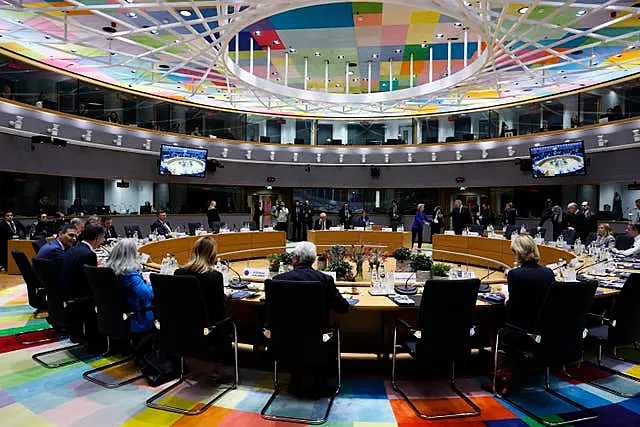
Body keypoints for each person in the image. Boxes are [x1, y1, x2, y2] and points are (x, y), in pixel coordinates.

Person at [272, 241, 349, 397]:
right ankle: (319, 384)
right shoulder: (324, 279)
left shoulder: (279, 280)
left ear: (296, 258)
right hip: (318, 339)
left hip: (285, 338)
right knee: (330, 333)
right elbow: (343, 308)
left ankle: (296, 382)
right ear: (313, 260)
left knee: (295, 331)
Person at [174, 237, 230, 365]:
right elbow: (219, 309)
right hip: (208, 328)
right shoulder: (214, 276)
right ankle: (220, 366)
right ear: (212, 255)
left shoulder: (179, 273)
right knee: (228, 322)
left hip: (183, 326)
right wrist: (225, 296)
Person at [59, 223, 105, 350]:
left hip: (68, 295)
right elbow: (91, 283)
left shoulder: (74, 248)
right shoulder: (88, 254)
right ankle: (99, 341)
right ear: (97, 238)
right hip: (80, 300)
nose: (103, 240)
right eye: (102, 238)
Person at [104, 239, 154, 334]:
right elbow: (147, 295)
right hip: (136, 315)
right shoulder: (129, 274)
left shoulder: (109, 269)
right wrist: (150, 283)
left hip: (115, 314)